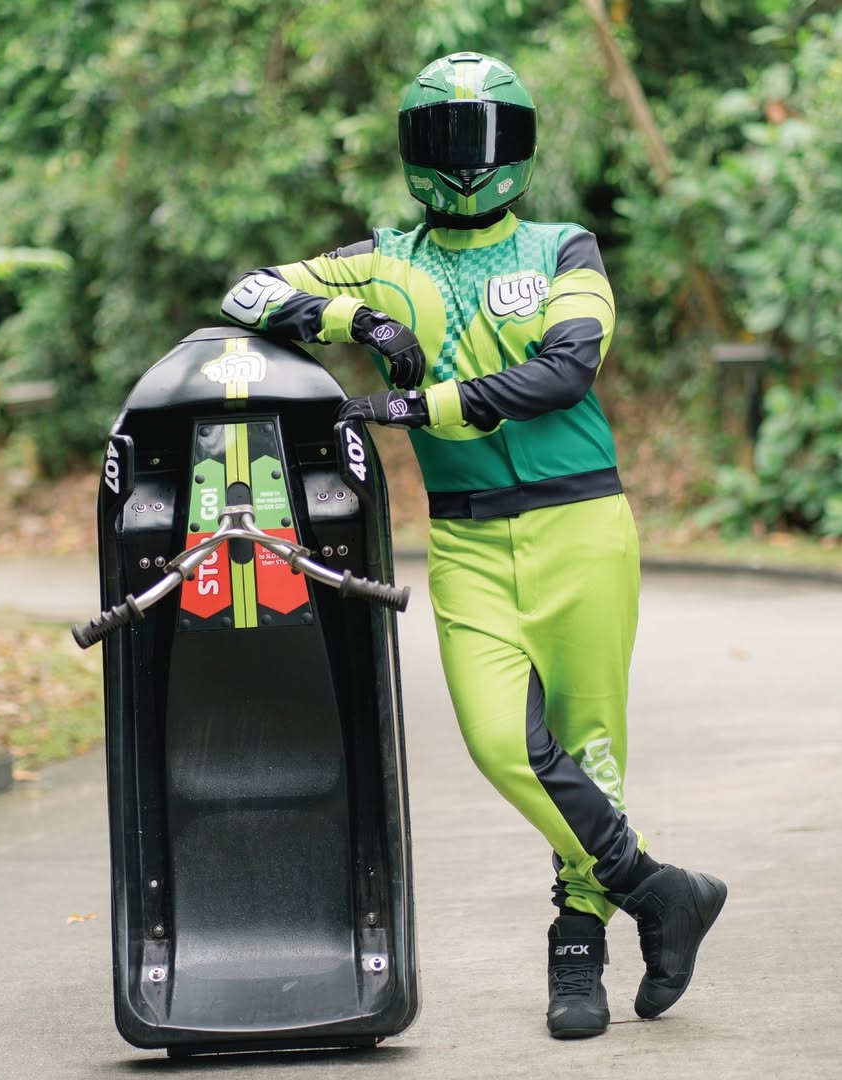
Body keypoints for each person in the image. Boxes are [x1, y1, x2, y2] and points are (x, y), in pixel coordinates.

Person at [220, 51, 726, 1039]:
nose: (466, 158)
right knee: (504, 743)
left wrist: (415, 404)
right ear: (414, 152)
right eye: (446, 139)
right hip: (464, 546)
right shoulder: (384, 258)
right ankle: (660, 890)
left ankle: (576, 956)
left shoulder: (563, 248)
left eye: (485, 137)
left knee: (587, 749)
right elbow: (247, 294)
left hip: (581, 527)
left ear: (520, 147)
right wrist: (350, 315)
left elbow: (567, 373)